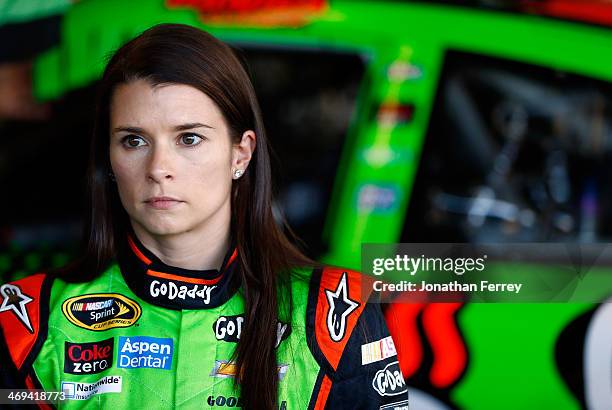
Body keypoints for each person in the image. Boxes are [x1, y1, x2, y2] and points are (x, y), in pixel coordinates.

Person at [0, 23, 408, 409]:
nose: (159, 167)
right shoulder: (27, 323)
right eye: (134, 140)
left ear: (241, 153)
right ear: (108, 157)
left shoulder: (337, 314)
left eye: (189, 138)